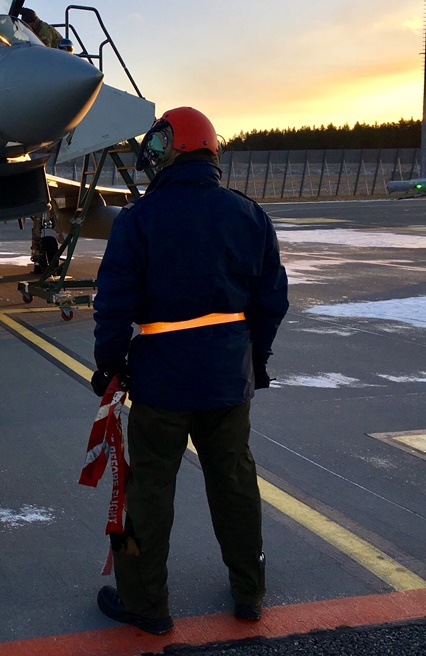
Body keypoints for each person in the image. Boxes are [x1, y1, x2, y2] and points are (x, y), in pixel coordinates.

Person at [90, 106, 289, 634]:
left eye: (159, 149)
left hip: (162, 382)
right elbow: (271, 300)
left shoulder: (139, 220)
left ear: (176, 148)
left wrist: (110, 364)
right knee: (235, 482)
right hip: (228, 378)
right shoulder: (248, 216)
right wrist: (256, 360)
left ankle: (146, 604)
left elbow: (113, 303)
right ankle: (250, 591)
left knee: (150, 490)